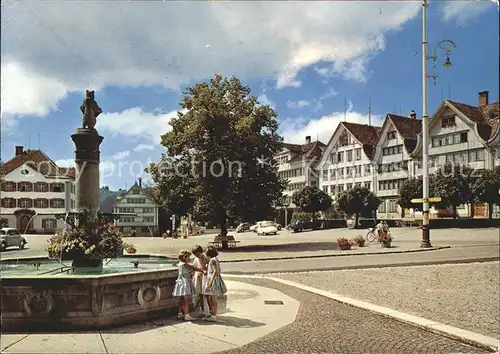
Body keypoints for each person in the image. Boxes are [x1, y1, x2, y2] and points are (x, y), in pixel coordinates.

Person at [172, 249, 205, 321]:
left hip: (180, 282)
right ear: (184, 257)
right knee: (186, 300)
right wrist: (201, 270)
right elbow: (193, 268)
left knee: (181, 299)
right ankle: (187, 315)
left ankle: (180, 313)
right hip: (185, 282)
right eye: (188, 257)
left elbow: (187, 271)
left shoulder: (180, 264)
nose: (189, 259)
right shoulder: (184, 264)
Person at [202, 245, 228, 322]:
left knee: (213, 298)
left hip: (212, 280)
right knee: (212, 297)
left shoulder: (212, 260)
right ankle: (213, 314)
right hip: (215, 279)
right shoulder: (215, 259)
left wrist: (210, 282)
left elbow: (215, 271)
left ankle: (213, 315)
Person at [191, 245, 210, 318]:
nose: (197, 256)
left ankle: (208, 310)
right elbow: (194, 267)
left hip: (204, 277)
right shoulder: (196, 258)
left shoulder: (206, 257)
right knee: (200, 294)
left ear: (201, 252)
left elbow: (210, 267)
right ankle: (202, 310)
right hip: (198, 278)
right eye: (196, 255)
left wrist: (205, 269)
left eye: (198, 254)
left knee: (206, 294)